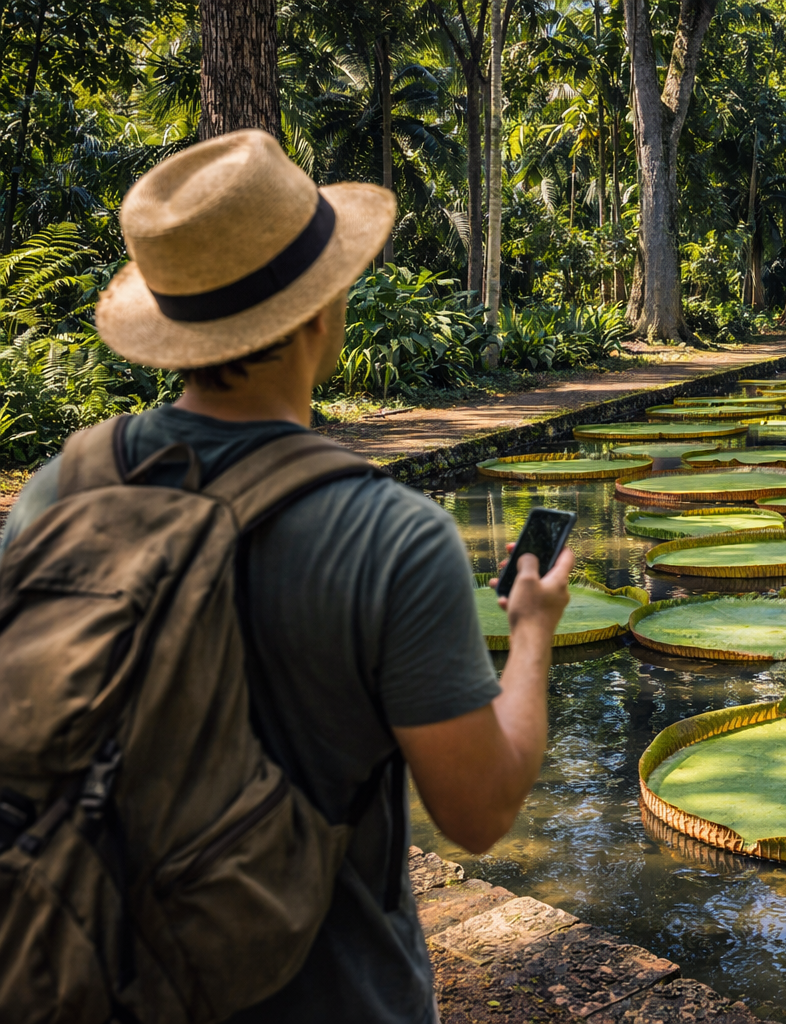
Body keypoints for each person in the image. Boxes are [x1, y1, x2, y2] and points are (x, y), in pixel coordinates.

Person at [0, 130, 570, 1022]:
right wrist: (532, 631)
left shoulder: (59, 489)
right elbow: (478, 811)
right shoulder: (391, 536)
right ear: (320, 308)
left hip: (90, 967)